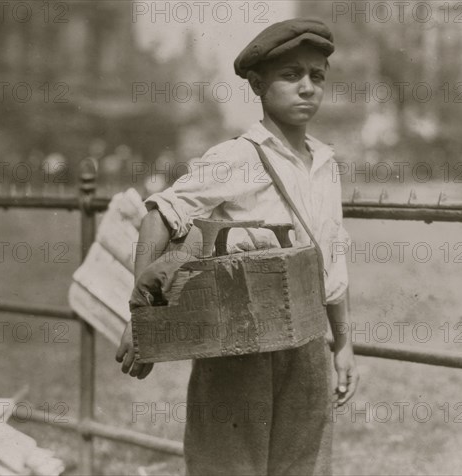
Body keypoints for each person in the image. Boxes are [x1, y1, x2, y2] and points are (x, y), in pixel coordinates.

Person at [116, 18, 359, 476]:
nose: (307, 87)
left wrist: (343, 344)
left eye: (317, 76)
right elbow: (159, 215)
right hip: (239, 343)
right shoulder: (239, 157)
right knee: (226, 466)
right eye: (291, 76)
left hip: (306, 345)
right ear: (258, 84)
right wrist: (142, 315)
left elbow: (333, 261)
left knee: (304, 467)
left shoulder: (326, 162)